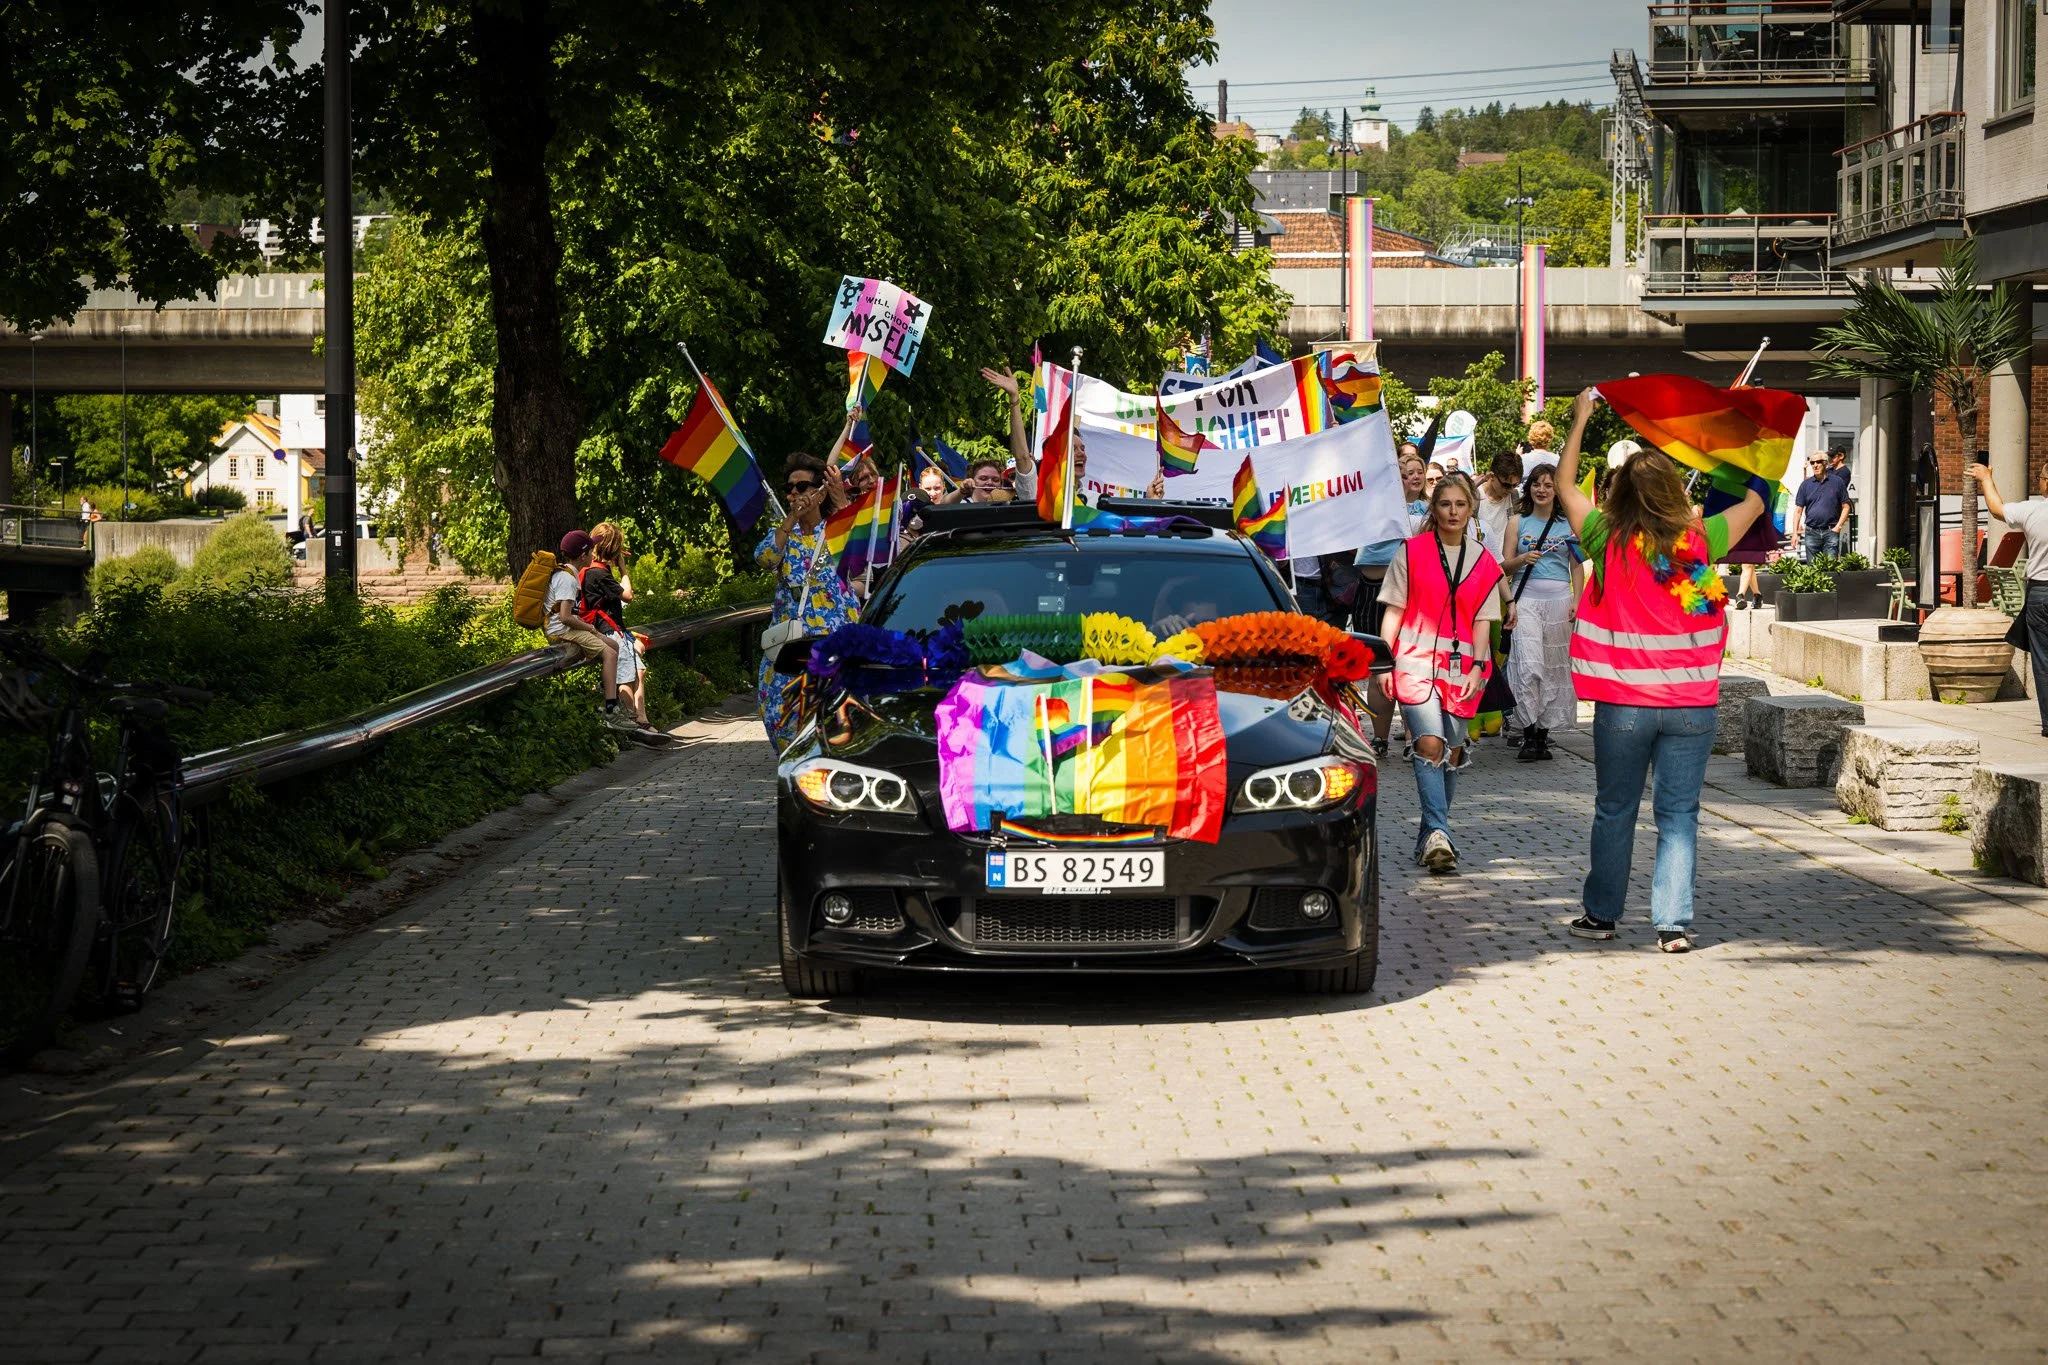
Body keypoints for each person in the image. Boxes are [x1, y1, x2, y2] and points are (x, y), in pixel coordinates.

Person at [1556, 388, 1769, 953]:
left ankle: (1601, 917)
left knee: (1615, 809)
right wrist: (1749, 454)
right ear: (1674, 492)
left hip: (1624, 705)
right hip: (1691, 708)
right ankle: (1672, 924)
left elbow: (1562, 486)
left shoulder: (1606, 537)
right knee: (1679, 815)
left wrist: (1580, 419)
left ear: (1620, 491)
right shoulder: (1700, 540)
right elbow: (1754, 502)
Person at [1377, 472, 1510, 875]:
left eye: (1460, 505)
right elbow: (1394, 611)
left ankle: (1429, 840)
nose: (1453, 511)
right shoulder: (1412, 551)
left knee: (1451, 752)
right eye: (1445, 504)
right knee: (1430, 744)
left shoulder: (1483, 560)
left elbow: (1485, 620)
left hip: (1464, 667)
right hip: (1413, 661)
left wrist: (1479, 667)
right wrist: (1383, 661)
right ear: (1433, 510)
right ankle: (1439, 831)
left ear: (1471, 511)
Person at [755, 454, 860, 749]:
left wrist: (840, 499)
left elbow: (864, 547)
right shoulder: (783, 535)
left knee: (838, 726)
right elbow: (764, 558)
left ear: (820, 490)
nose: (794, 494)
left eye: (802, 486)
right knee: (782, 722)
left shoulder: (839, 526)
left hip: (836, 646)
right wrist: (791, 519)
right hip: (790, 648)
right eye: (790, 488)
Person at [1501, 465, 1586, 761]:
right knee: (1529, 665)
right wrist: (1523, 558)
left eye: (1548, 485)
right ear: (1529, 488)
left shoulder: (1568, 524)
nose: (1541, 490)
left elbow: (1576, 564)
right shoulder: (1517, 522)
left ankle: (1542, 736)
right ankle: (1527, 730)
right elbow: (1504, 568)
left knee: (1553, 666)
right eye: (1536, 484)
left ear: (1556, 490)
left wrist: (1578, 598)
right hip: (1526, 599)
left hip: (1560, 600)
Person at [1968, 461, 2048, 736]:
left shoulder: (2033, 510)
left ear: (2045, 483)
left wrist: (1986, 478)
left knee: (2044, 659)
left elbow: (1996, 508)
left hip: (2041, 592)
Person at [582, 522, 665, 741]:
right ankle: (632, 726)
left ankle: (641, 719)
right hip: (610, 631)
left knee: (639, 671)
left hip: (617, 630)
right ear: (613, 549)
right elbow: (628, 595)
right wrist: (623, 569)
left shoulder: (599, 570)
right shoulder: (598, 574)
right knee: (626, 678)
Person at [544, 529, 633, 732]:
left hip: (570, 628)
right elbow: (566, 617)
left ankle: (605, 691)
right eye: (591, 551)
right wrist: (590, 628)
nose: (594, 554)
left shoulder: (569, 573)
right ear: (583, 555)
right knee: (610, 653)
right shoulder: (567, 579)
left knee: (612, 645)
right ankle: (611, 711)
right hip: (563, 632)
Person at [1791, 453, 1849, 560]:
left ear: (1825, 463)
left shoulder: (1837, 482)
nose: (1815, 465)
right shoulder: (1806, 485)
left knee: (1831, 570)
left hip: (1831, 531)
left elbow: (1846, 507)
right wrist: (1795, 533)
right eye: (1812, 463)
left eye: (1818, 462)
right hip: (1811, 532)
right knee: (1812, 571)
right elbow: (1798, 511)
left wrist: (1838, 527)